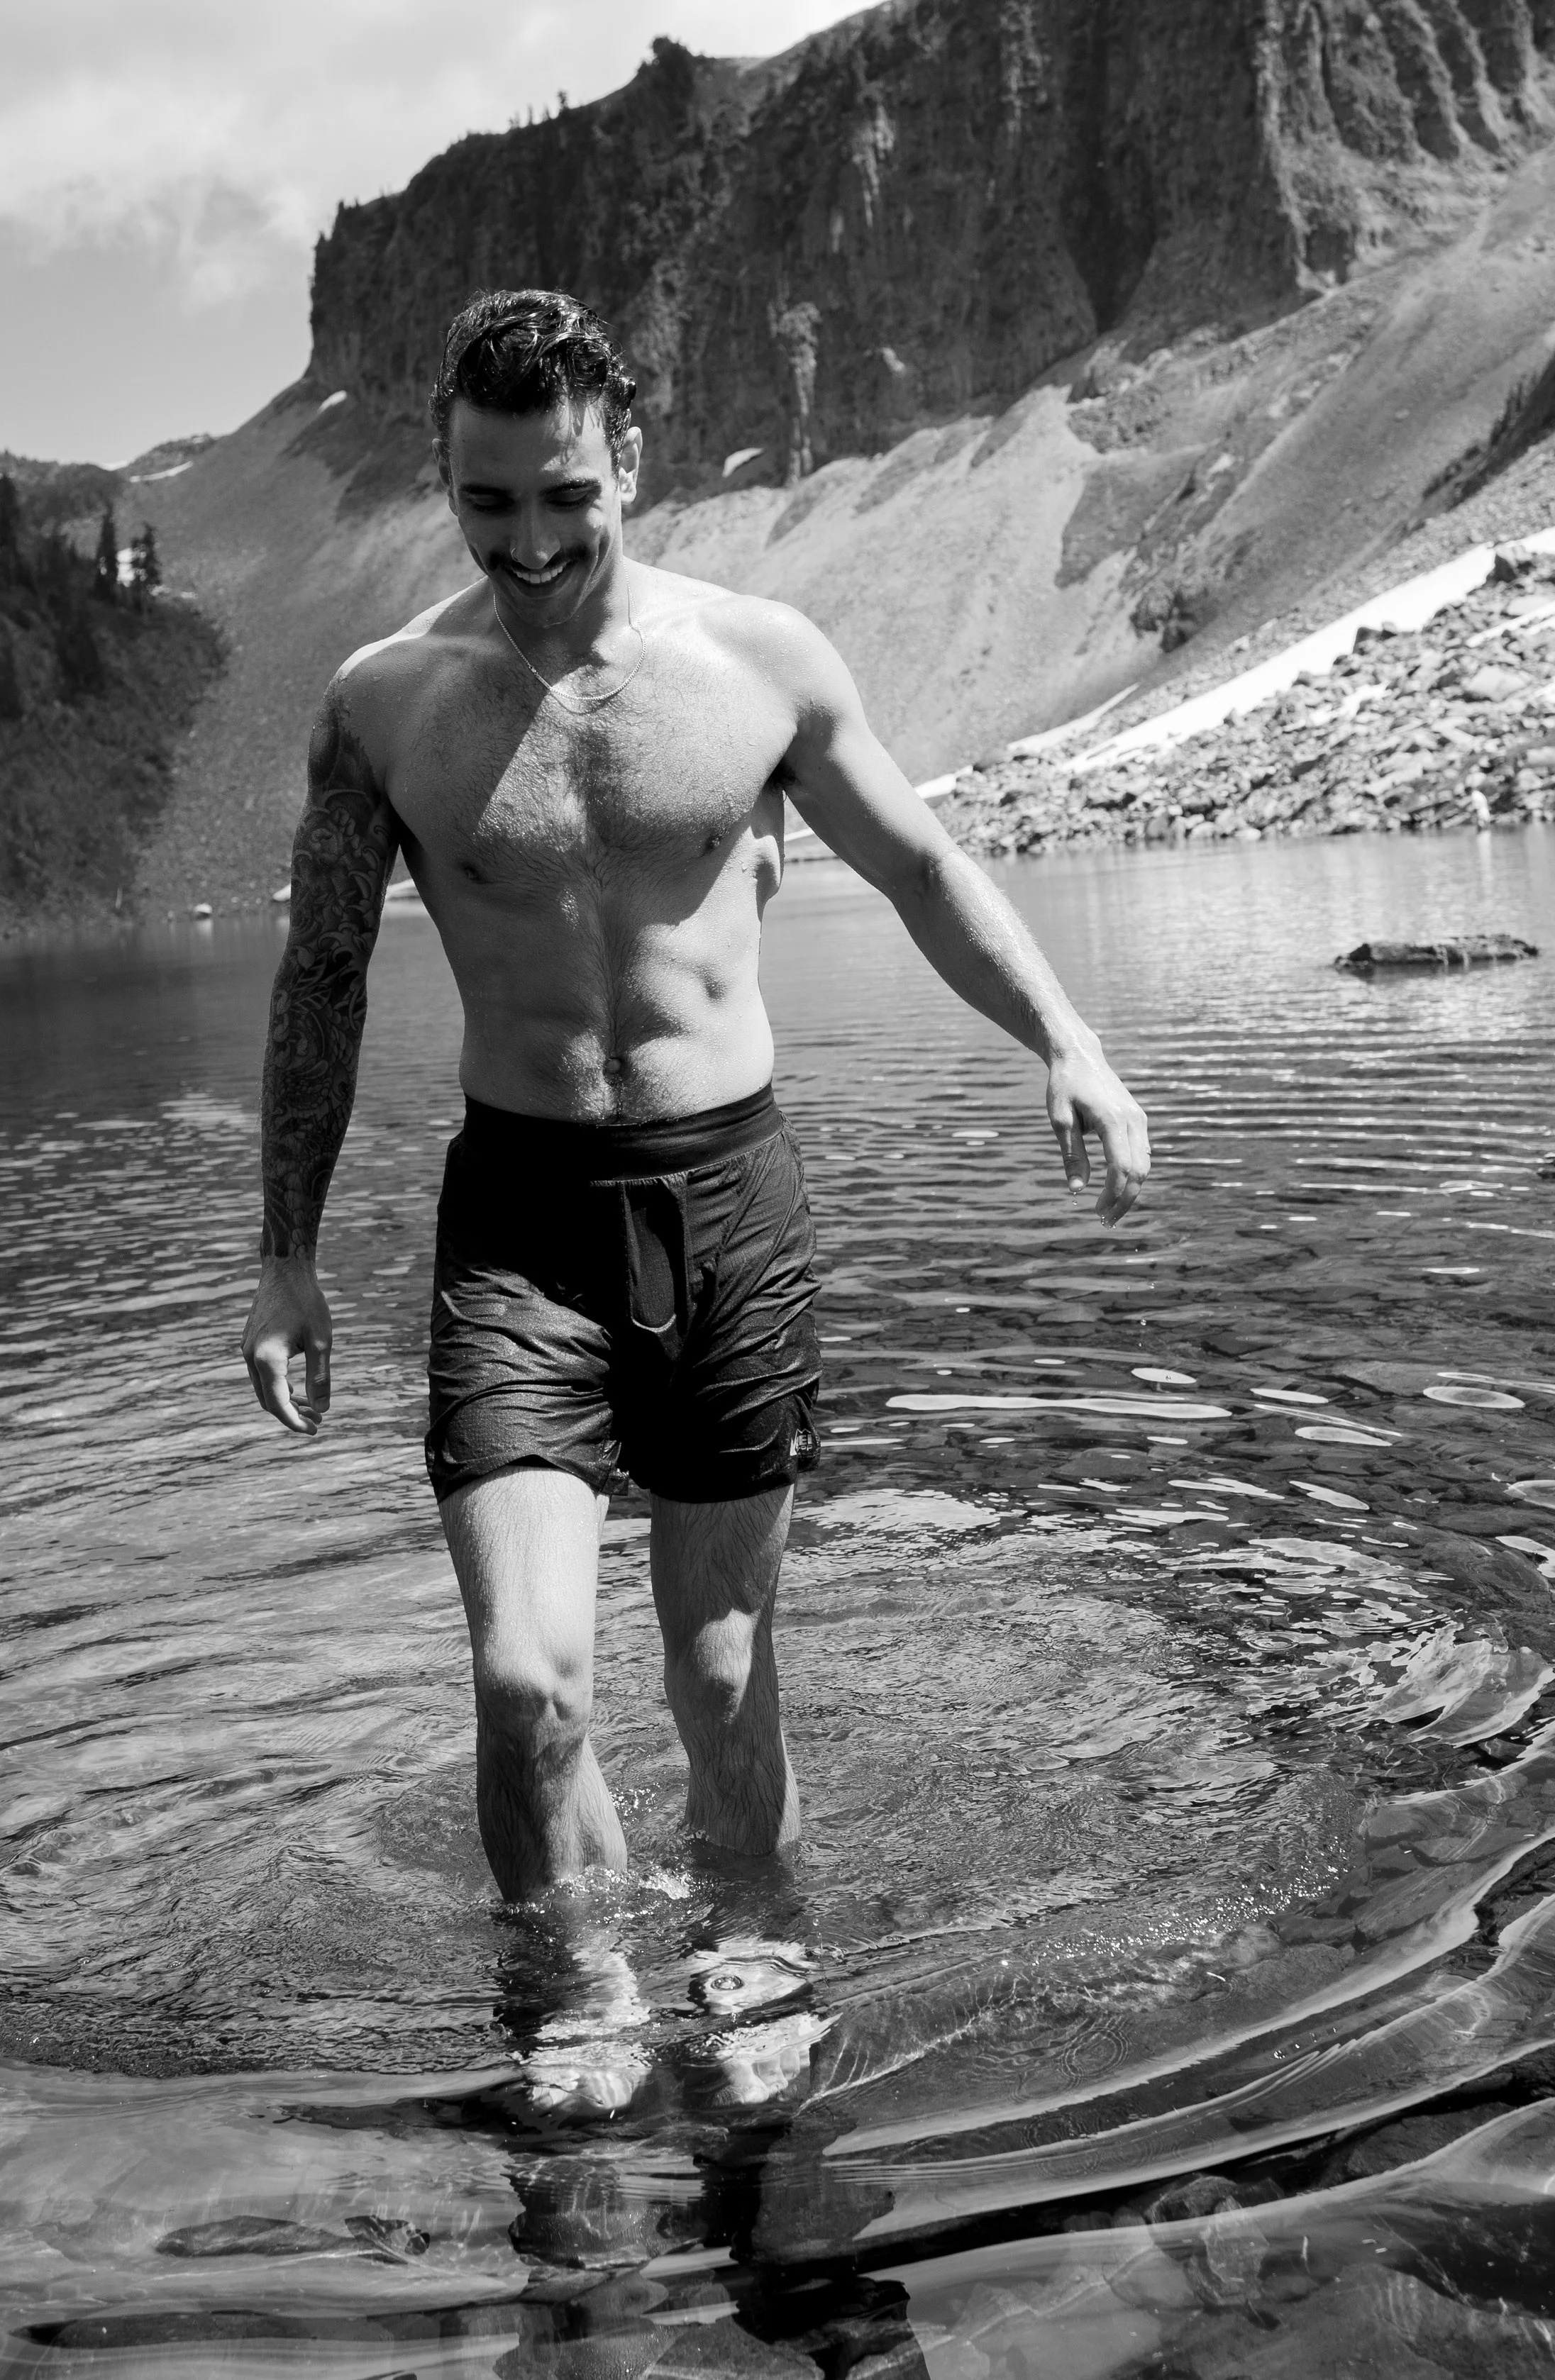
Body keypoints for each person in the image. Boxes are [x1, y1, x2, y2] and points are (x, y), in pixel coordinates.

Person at [242, 288, 1151, 1911]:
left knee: (722, 1676)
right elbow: (321, 982)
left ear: (631, 463)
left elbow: (924, 867)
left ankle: (759, 1959)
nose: (527, 544)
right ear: (443, 482)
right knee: (527, 1689)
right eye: (486, 502)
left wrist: (1064, 1040)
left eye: (565, 496)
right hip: (518, 1223)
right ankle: (575, 1997)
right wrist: (285, 1255)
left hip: (726, 1204)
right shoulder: (383, 705)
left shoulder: (758, 662)